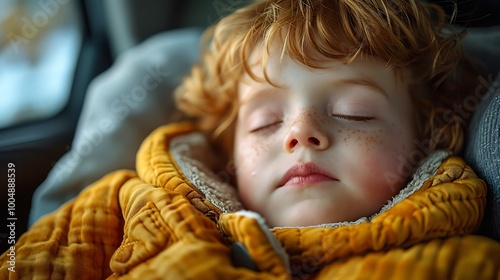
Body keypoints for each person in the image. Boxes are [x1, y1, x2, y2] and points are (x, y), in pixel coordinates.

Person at [1, 0, 500, 279]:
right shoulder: (125, 206)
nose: (302, 131)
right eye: (264, 123)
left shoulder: (451, 263)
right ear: (227, 150)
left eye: (355, 112)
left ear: (428, 134)